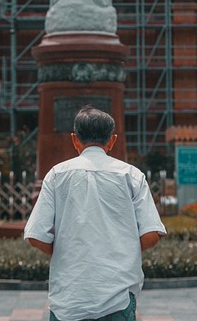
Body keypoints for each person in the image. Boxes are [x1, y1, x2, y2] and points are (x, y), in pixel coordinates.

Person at [24, 106, 167, 321]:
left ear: (75, 139)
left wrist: (66, 253)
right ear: (112, 141)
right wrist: (122, 252)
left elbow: (35, 235)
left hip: (69, 300)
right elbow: (151, 234)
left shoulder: (56, 175)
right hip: (118, 297)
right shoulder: (131, 176)